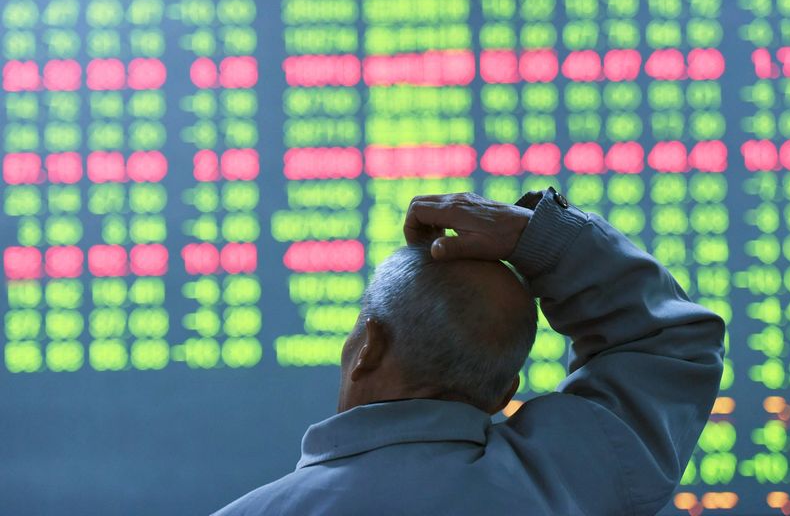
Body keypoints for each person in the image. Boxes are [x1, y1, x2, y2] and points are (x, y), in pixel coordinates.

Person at [214, 188, 725, 516]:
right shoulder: (569, 485)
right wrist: (545, 239)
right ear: (505, 393)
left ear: (367, 347)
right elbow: (666, 342)